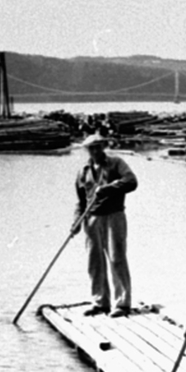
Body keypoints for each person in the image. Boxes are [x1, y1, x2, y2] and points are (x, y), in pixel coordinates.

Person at [72, 134, 138, 317]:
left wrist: (109, 188)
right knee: (94, 262)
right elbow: (80, 200)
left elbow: (132, 182)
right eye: (91, 148)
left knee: (117, 258)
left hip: (113, 216)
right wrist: (76, 221)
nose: (95, 151)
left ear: (104, 147)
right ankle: (100, 302)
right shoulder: (83, 171)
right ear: (87, 150)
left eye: (98, 147)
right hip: (91, 219)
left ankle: (123, 303)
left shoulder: (116, 163)